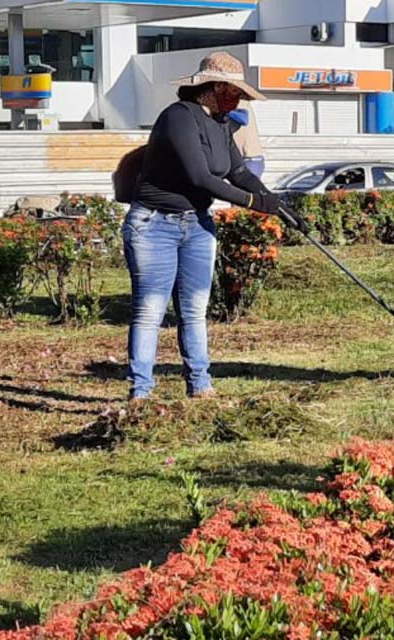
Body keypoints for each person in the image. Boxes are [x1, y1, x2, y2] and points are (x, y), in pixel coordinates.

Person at [124, 51, 307, 401]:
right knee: (150, 311)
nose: (239, 99)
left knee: (194, 310)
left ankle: (200, 385)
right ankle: (141, 393)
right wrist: (255, 204)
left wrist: (276, 203)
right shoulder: (178, 118)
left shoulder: (223, 124)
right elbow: (200, 177)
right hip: (154, 226)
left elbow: (237, 172)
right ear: (216, 87)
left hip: (197, 226)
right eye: (235, 92)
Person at [228, 99, 266, 179]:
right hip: (240, 159)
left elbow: (244, 119)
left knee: (246, 189)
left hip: (251, 159)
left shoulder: (240, 101)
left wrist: (224, 111)